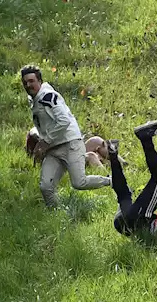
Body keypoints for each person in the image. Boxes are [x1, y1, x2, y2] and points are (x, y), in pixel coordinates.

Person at [20, 64, 111, 207]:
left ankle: (113, 181)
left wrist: (45, 141)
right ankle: (57, 215)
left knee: (79, 182)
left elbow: (64, 121)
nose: (28, 85)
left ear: (40, 81)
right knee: (45, 186)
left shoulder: (48, 96)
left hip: (70, 144)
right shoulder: (34, 98)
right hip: (53, 149)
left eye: (31, 81)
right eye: (25, 82)